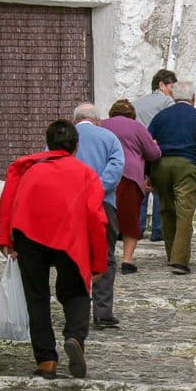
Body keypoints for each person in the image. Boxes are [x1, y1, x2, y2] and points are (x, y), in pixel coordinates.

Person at [0, 120, 108, 379]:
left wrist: (6, 238)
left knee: (36, 296)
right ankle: (75, 338)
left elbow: (8, 201)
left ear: (48, 143)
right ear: (76, 146)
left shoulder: (28, 169)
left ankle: (46, 360)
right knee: (76, 290)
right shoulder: (85, 173)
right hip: (70, 239)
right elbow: (97, 219)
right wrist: (98, 263)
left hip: (29, 236)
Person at [147, 81, 196, 275]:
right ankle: (180, 261)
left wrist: (148, 173)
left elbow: (148, 144)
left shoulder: (160, 117)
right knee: (184, 212)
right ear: (193, 98)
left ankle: (171, 254)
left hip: (161, 165)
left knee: (167, 209)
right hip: (186, 166)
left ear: (173, 98)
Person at [73, 102, 125, 330]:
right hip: (103, 203)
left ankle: (76, 309)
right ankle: (102, 313)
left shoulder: (66, 136)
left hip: (71, 204)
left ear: (76, 119)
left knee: (74, 256)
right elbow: (117, 166)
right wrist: (97, 188)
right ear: (97, 119)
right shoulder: (109, 138)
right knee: (105, 256)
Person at [100, 99, 162, 274]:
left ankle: (106, 257)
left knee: (105, 217)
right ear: (131, 114)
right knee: (130, 219)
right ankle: (127, 261)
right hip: (130, 176)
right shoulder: (137, 127)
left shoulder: (102, 125)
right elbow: (153, 153)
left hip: (105, 176)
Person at [132, 69, 177, 242]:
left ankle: (138, 228)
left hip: (139, 152)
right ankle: (159, 230)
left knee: (141, 189)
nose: (173, 91)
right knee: (160, 190)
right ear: (162, 85)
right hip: (158, 151)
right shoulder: (167, 102)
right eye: (171, 86)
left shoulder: (136, 103)